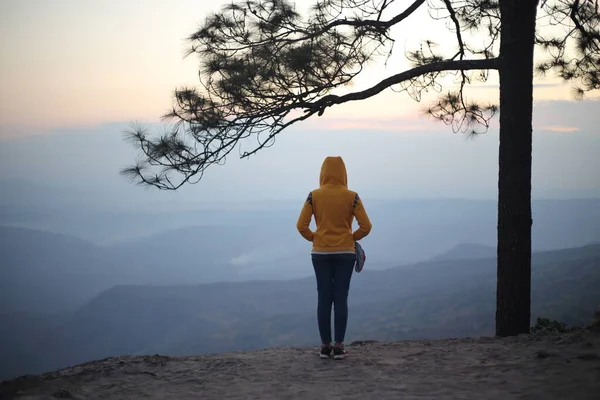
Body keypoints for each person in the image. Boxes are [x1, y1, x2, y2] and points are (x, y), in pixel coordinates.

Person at [296, 156, 372, 360]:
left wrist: (316, 238)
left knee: (323, 298)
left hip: (320, 253)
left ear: (322, 173)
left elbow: (301, 225)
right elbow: (366, 226)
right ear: (344, 173)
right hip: (345, 253)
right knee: (340, 298)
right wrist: (350, 238)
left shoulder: (314, 195)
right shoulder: (352, 196)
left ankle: (324, 347)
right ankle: (339, 346)